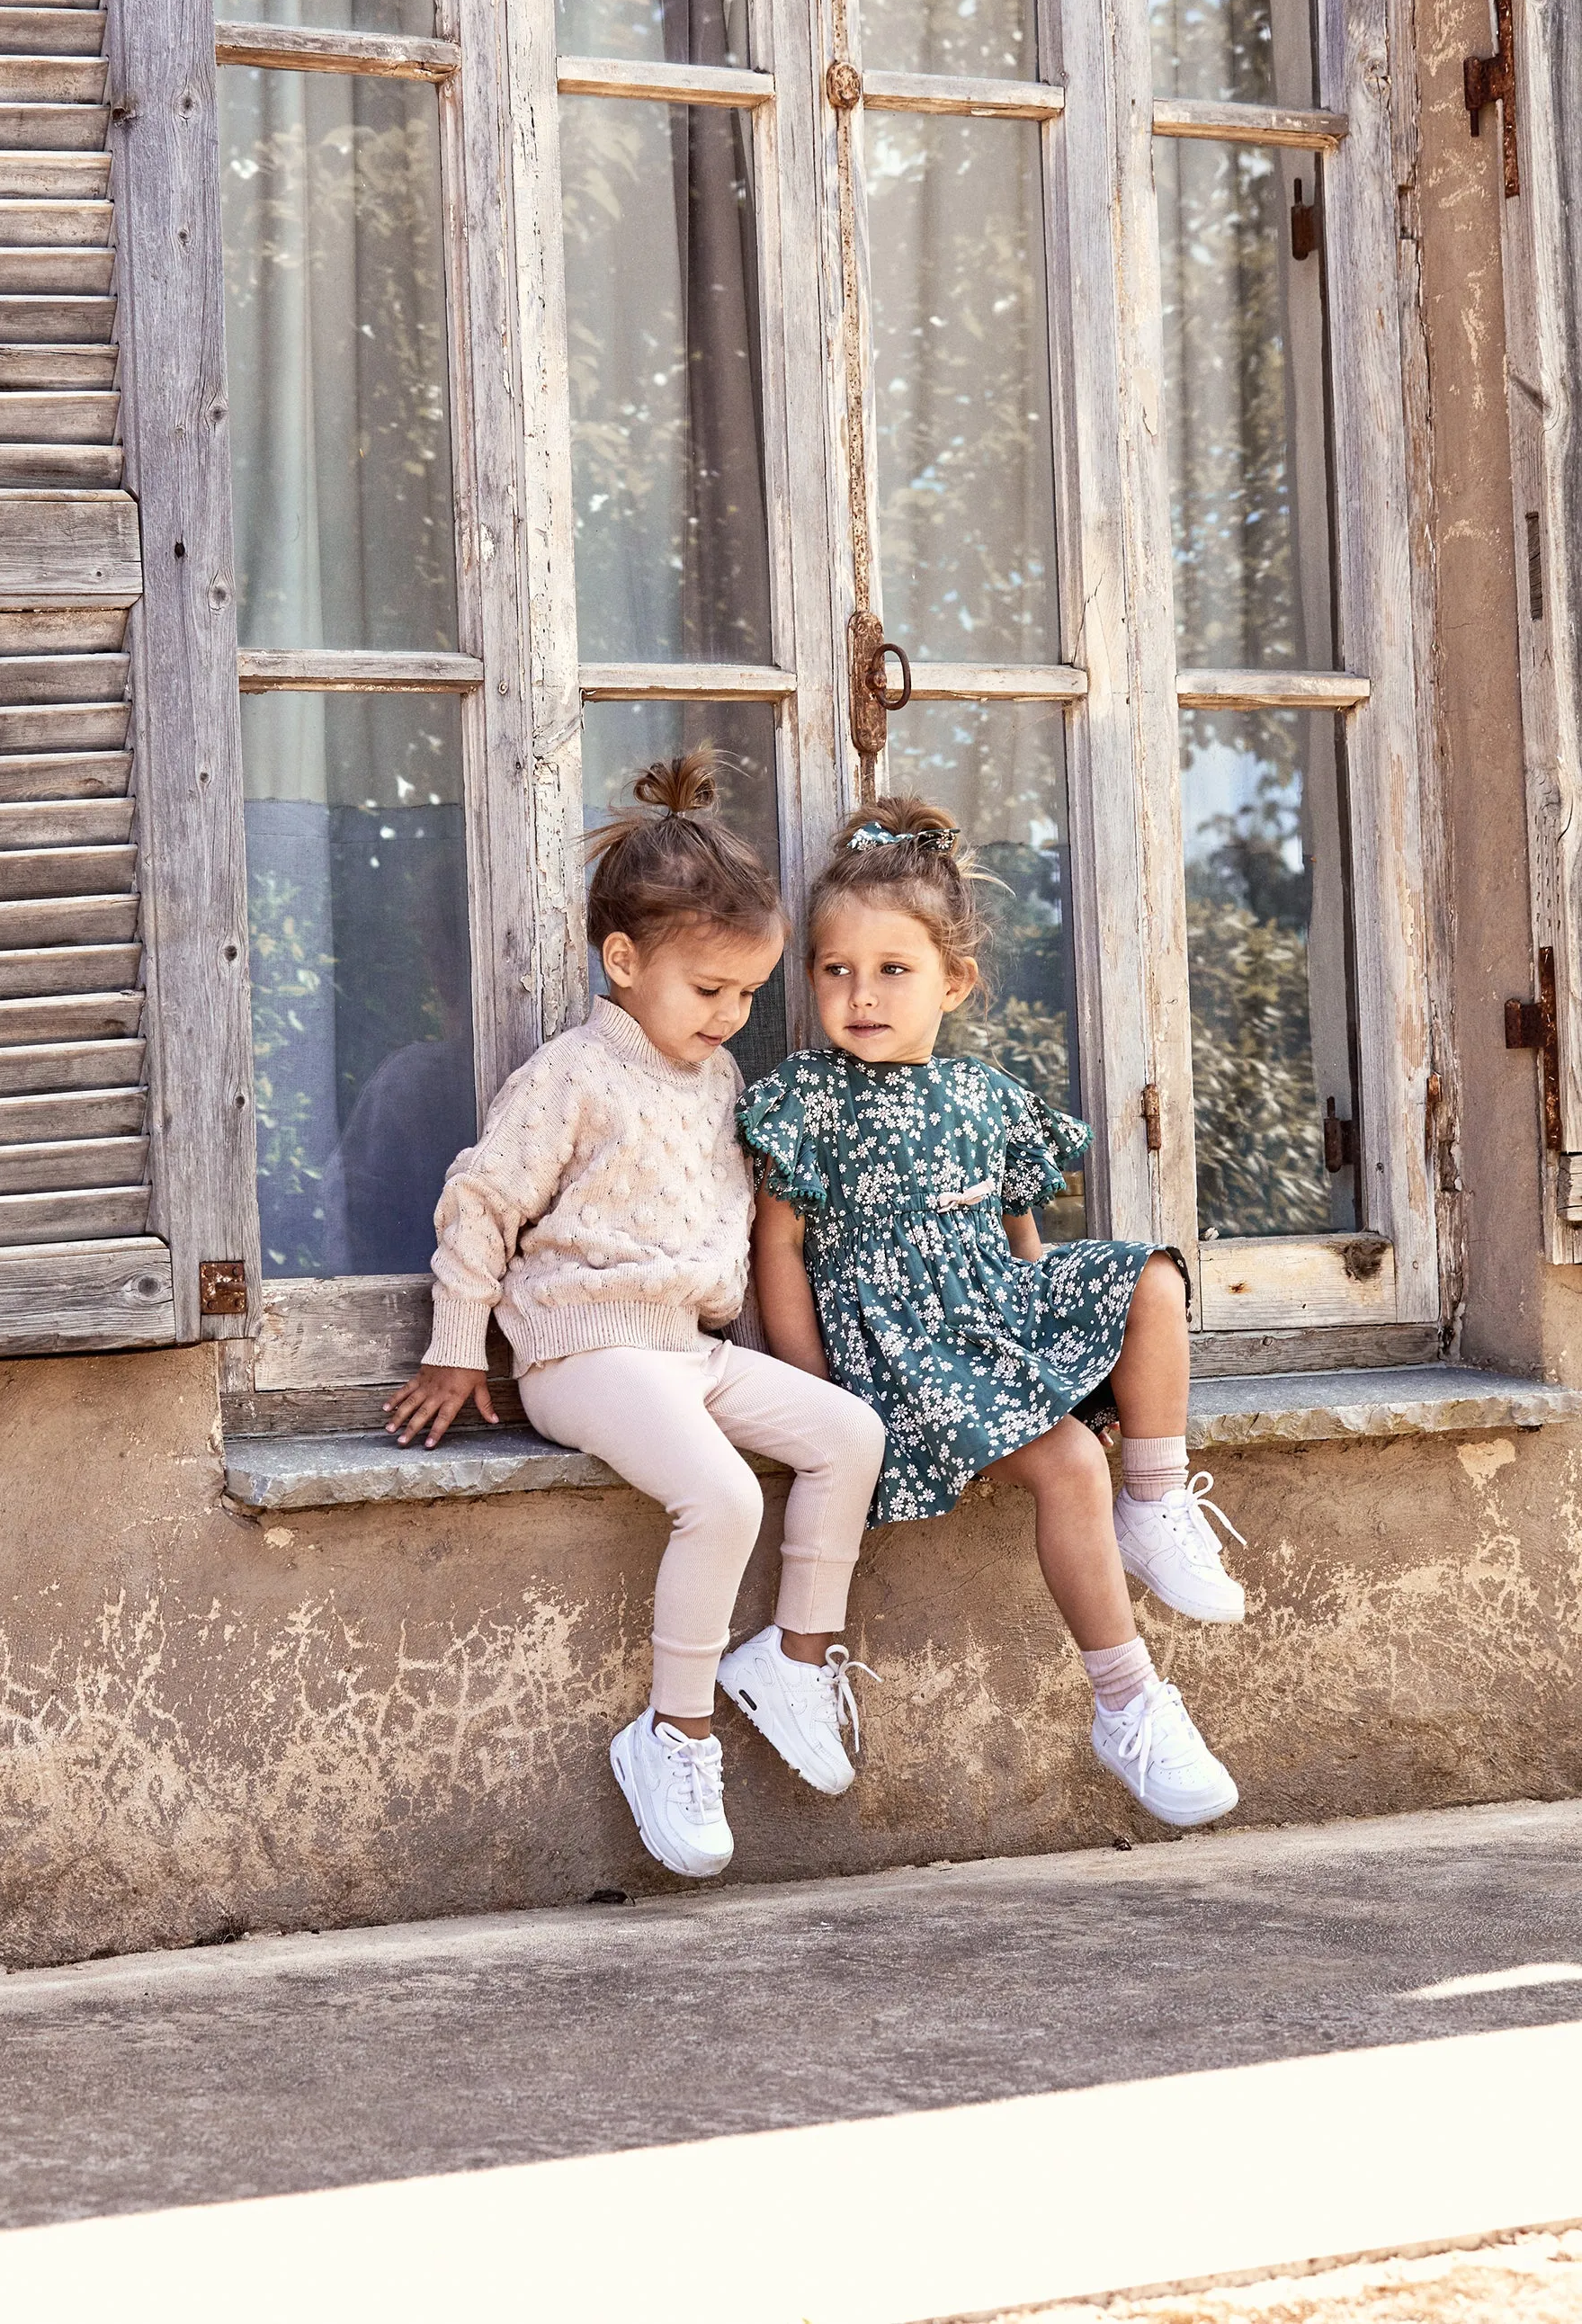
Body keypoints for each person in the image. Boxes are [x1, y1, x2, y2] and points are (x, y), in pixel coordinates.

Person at [386, 755, 887, 1880]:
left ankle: (792, 1660)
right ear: (624, 960)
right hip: (584, 1350)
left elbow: (722, 1241)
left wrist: (755, 1360)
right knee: (713, 1496)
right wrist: (457, 1347)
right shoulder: (572, 1075)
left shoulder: (716, 1086)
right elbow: (482, 1198)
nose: (732, 1015)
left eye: (749, 993)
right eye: (708, 989)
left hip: (686, 1350)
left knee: (849, 1434)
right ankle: (674, 1730)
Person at [738, 796, 1246, 1831]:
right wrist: (813, 1390)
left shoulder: (985, 1094)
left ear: (953, 980)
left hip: (988, 1315)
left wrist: (1044, 1330)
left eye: (891, 970)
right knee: (1065, 1463)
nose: (860, 994)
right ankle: (1128, 1702)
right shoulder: (804, 1097)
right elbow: (777, 1250)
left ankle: (1151, 1502)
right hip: (899, 1352)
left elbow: (1020, 1236)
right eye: (835, 970)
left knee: (1149, 1273)